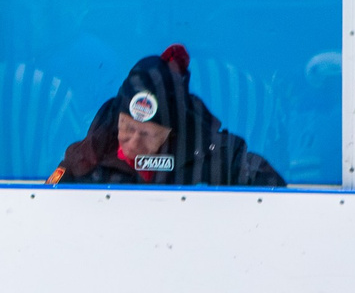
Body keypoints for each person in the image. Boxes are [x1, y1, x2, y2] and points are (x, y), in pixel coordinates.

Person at [49, 44, 286, 188]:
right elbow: (44, 201)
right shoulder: (88, 158)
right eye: (127, 128)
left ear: (172, 131)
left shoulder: (214, 157)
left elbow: (272, 190)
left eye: (148, 134)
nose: (133, 142)